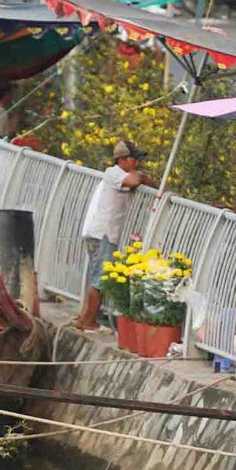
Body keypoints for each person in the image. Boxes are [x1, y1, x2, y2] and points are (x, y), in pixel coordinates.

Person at [73, 140, 146, 331]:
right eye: (134, 159)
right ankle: (87, 321)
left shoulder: (119, 174)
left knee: (97, 277)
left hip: (101, 233)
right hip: (103, 234)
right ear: (122, 159)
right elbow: (135, 181)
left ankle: (85, 317)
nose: (137, 164)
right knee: (100, 279)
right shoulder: (113, 173)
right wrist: (140, 176)